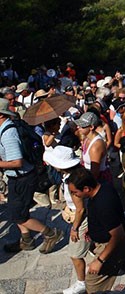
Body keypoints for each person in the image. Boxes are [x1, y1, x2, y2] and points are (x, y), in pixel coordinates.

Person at [66, 167, 125, 292]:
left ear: (86, 189)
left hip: (113, 245)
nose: (75, 195)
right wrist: (93, 229)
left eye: (75, 192)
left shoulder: (103, 204)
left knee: (93, 283)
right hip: (121, 238)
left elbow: (117, 235)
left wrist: (100, 260)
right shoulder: (103, 186)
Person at [0, 98, 64, 254]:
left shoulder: (8, 134)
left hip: (22, 178)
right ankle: (26, 240)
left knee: (19, 215)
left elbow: (17, 162)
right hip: (18, 177)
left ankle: (51, 233)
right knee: (16, 211)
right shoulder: (6, 128)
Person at [44, 146, 89, 294]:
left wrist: (74, 228)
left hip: (81, 218)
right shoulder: (75, 175)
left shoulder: (73, 183)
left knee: (75, 254)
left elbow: (80, 209)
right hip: (81, 215)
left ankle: (81, 283)